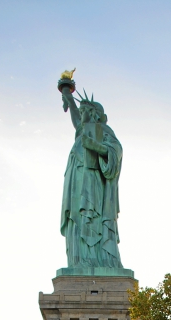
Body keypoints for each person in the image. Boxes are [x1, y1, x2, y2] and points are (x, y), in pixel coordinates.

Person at [60, 85, 124, 269]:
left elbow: (116, 150)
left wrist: (95, 146)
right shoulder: (83, 130)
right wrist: (68, 97)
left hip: (94, 181)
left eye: (84, 112)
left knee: (93, 218)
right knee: (77, 219)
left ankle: (101, 260)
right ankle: (80, 261)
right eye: (80, 112)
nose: (81, 116)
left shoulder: (102, 130)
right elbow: (76, 119)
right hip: (77, 181)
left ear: (94, 113)